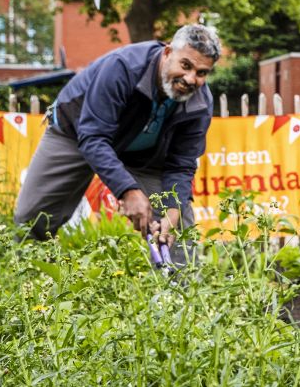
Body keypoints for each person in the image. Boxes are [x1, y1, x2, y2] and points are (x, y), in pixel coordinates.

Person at [15, 23, 221, 245]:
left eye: (201, 73)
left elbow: (181, 163)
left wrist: (173, 209)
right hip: (77, 131)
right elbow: (93, 138)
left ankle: (178, 278)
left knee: (177, 222)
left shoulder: (200, 103)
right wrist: (128, 190)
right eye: (185, 65)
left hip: (143, 151)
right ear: (168, 52)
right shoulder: (123, 67)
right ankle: (28, 270)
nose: (190, 79)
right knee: (32, 217)